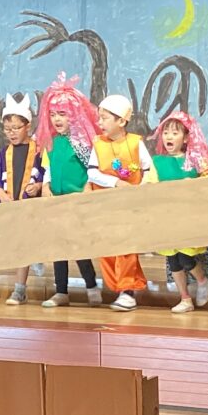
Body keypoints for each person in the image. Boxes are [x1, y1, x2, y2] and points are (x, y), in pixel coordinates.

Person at [145, 111, 208, 313]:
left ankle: (202, 280)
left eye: (175, 133)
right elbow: (148, 184)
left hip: (189, 218)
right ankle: (185, 298)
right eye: (166, 133)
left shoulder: (195, 159)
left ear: (186, 137)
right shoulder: (157, 161)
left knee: (185, 257)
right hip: (167, 217)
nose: (169, 137)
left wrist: (194, 183)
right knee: (173, 260)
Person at [35, 73, 102, 308]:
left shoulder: (81, 142)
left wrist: (85, 189)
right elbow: (48, 168)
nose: (56, 119)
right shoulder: (52, 142)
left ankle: (91, 285)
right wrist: (45, 186)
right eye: (53, 114)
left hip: (77, 202)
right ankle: (61, 291)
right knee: (58, 247)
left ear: (73, 114)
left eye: (62, 114)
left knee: (78, 247)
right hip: (57, 201)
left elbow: (91, 169)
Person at [87, 94, 153, 312]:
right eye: (99, 118)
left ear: (121, 121)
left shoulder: (135, 143)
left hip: (128, 207)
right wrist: (115, 182)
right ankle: (120, 287)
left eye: (105, 118)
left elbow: (148, 169)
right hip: (105, 206)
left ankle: (127, 291)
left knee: (126, 248)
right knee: (107, 248)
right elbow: (92, 173)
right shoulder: (98, 144)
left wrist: (142, 188)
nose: (100, 123)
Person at [0, 94, 44, 305]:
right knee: (18, 246)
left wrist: (38, 186)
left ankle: (19, 289)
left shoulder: (39, 150)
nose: (11, 133)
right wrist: (2, 194)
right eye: (7, 129)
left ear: (28, 126)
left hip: (31, 208)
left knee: (23, 246)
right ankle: (33, 257)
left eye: (16, 128)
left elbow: (47, 176)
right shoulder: (3, 154)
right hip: (10, 207)